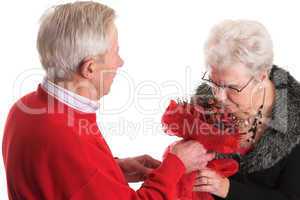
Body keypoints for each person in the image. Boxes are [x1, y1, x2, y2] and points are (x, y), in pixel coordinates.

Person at [2, 2, 214, 199]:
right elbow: (75, 164)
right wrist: (175, 165)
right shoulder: (67, 140)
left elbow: (66, 179)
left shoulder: (24, 108)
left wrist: (114, 169)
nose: (120, 62)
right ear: (90, 68)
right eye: (115, 51)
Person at [192, 20, 300, 200]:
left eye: (232, 88)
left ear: (261, 76)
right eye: (214, 83)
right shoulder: (206, 104)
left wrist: (228, 189)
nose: (219, 97)